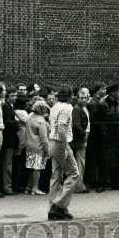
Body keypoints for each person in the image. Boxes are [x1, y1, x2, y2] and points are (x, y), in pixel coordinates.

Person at [47, 87, 79, 220]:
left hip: (52, 142)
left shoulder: (54, 107)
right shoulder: (67, 108)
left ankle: (52, 208)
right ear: (70, 96)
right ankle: (58, 205)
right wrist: (66, 147)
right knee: (74, 174)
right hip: (61, 143)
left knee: (56, 176)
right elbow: (61, 129)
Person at [91, 84, 119, 192]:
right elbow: (100, 120)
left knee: (116, 159)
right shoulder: (103, 104)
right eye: (117, 92)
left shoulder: (115, 103)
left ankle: (115, 183)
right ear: (112, 93)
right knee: (104, 160)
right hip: (106, 136)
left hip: (115, 135)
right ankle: (101, 184)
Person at [23, 102, 51, 195]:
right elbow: (44, 138)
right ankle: (35, 188)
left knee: (31, 168)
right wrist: (47, 150)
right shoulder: (41, 121)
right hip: (38, 147)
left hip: (29, 146)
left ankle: (28, 187)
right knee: (37, 169)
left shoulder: (30, 118)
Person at [71, 87, 92, 193]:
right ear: (77, 98)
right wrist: (84, 134)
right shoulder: (77, 109)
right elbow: (76, 125)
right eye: (82, 98)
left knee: (81, 162)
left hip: (84, 137)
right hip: (80, 139)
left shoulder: (84, 108)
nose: (84, 100)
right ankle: (78, 186)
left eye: (86, 97)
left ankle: (79, 184)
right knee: (80, 162)